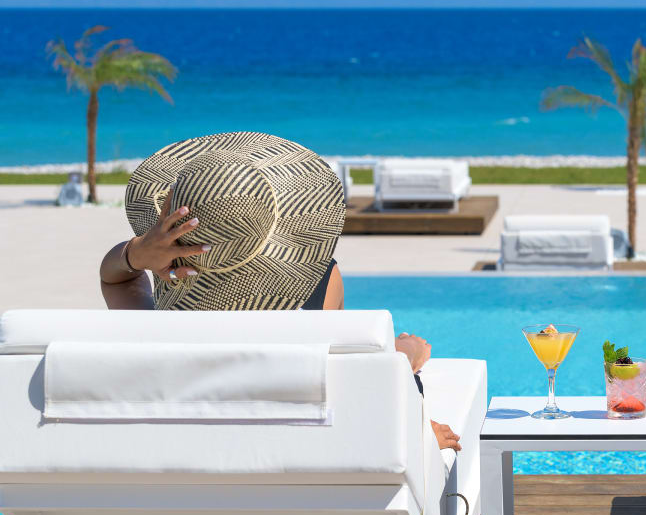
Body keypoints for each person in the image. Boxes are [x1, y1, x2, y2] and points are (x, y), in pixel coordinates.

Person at [98, 131, 460, 451]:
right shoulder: (311, 355)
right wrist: (404, 358)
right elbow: (363, 379)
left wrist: (136, 253)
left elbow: (115, 279)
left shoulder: (158, 341)